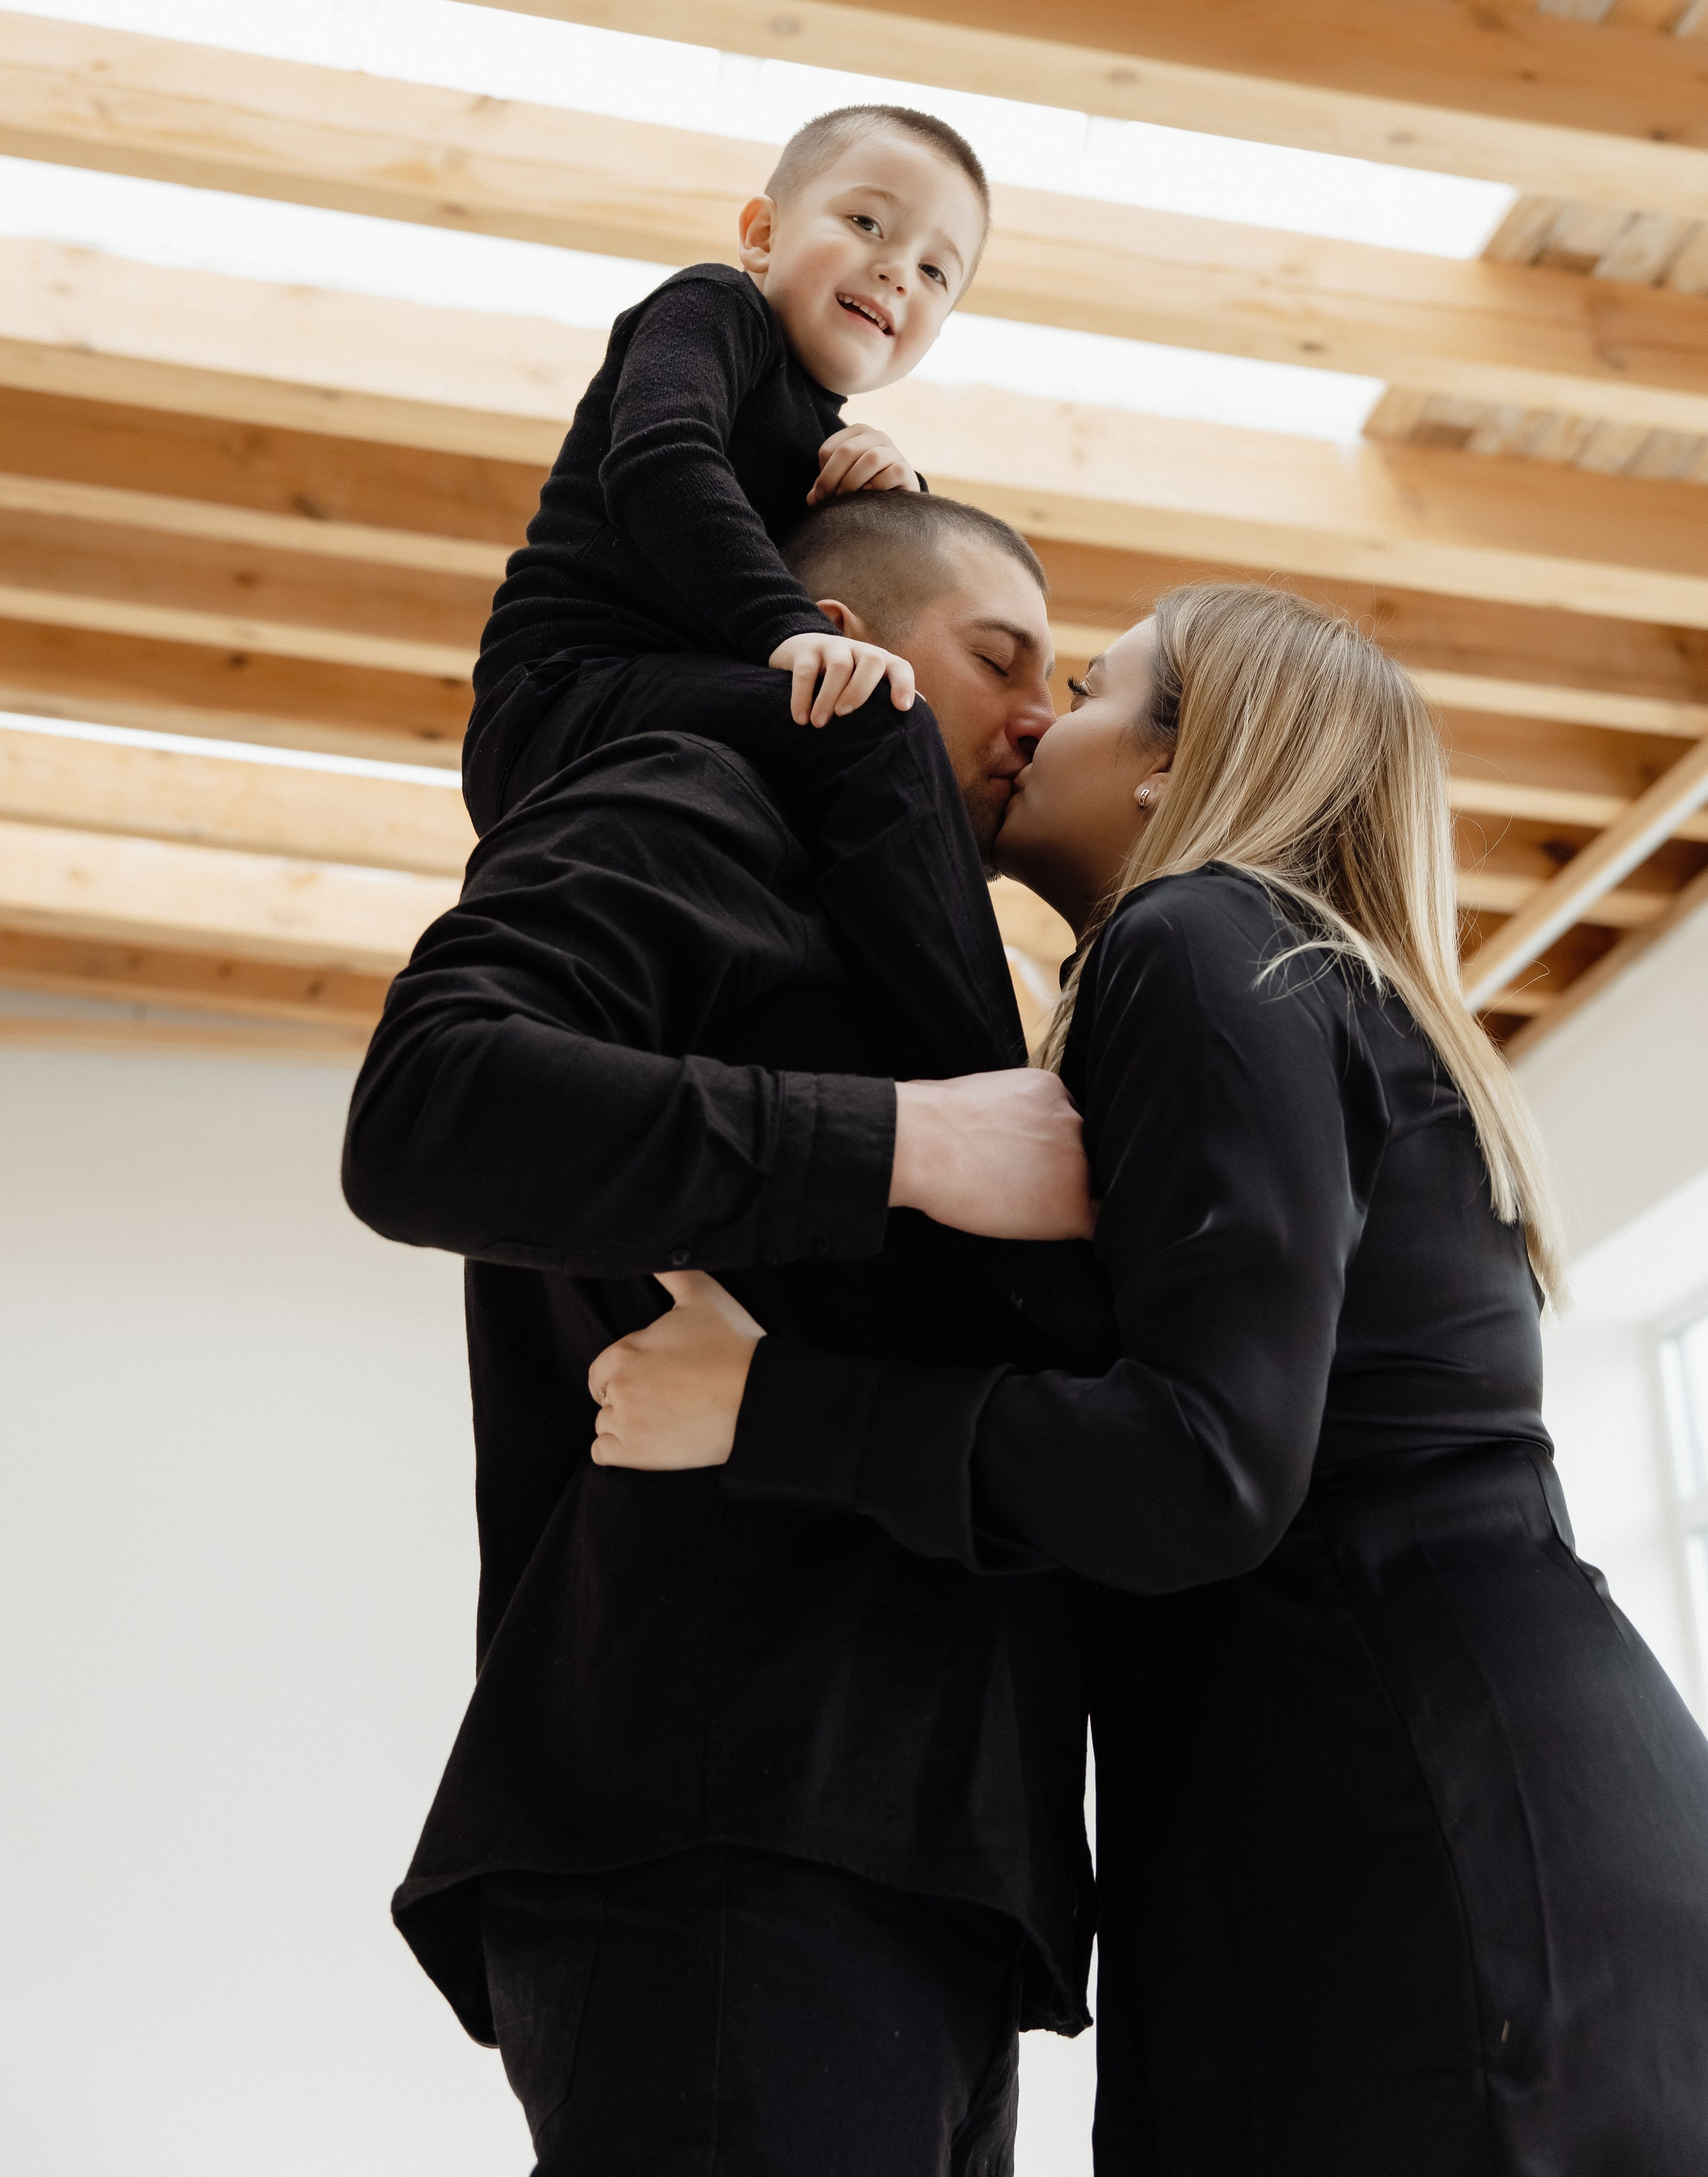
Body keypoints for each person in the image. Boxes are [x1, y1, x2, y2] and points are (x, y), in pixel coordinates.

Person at [596, 581, 1708, 2177]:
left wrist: (768, 1407)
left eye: (1092, 687)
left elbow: (1203, 1467)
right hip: (1464, 1814)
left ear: (1170, 774)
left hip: (1424, 1840)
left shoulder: (1197, 942)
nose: (1039, 713)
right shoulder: (1289, 979)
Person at [342, 493, 1102, 2177]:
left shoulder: (917, 935)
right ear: (824, 630)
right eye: (1000, 657)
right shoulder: (695, 793)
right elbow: (423, 1112)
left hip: (904, 1869)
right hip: (725, 1837)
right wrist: (914, 1142)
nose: (1042, 714)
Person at [464, 103, 1016, 1079]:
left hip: (675, 708)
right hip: (566, 694)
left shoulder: (832, 442)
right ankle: (992, 1081)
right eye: (869, 224)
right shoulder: (714, 310)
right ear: (762, 235)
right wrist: (790, 629)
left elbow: (880, 570)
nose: (898, 270)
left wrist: (900, 492)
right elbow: (662, 463)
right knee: (878, 719)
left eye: (937, 271)